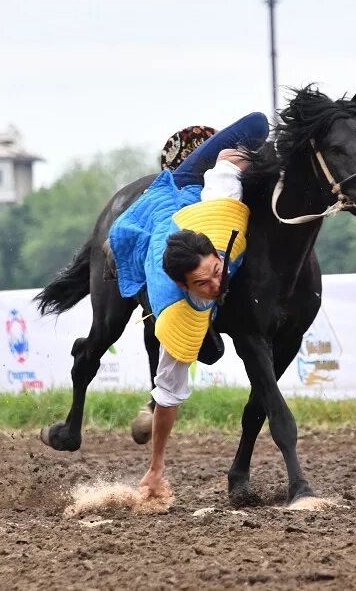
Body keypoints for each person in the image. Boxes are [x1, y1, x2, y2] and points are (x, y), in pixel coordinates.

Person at [107, 113, 269, 497]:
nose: (217, 284)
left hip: (190, 183)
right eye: (203, 284)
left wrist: (252, 164)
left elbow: (228, 159)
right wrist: (156, 467)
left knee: (259, 125)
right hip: (164, 206)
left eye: (215, 271)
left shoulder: (221, 214)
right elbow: (166, 396)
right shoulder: (177, 312)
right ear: (183, 285)